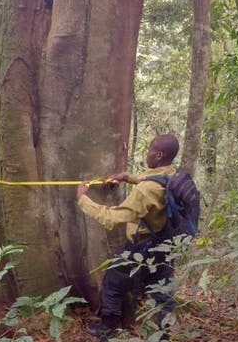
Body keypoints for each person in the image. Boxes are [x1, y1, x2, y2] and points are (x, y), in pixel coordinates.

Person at [76, 134, 180, 340]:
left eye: (150, 149)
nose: (147, 153)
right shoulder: (174, 175)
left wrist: (82, 198)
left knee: (112, 282)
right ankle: (163, 334)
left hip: (142, 246)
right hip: (167, 244)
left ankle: (107, 328)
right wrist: (127, 177)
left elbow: (112, 217)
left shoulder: (145, 191)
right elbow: (153, 179)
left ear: (158, 155)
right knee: (162, 291)